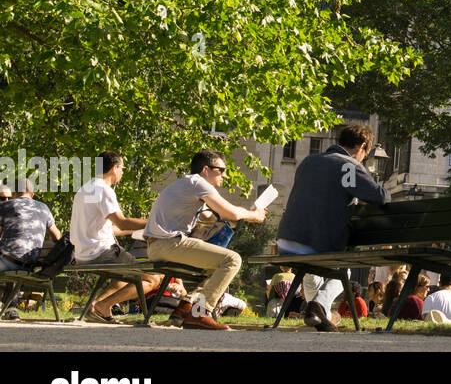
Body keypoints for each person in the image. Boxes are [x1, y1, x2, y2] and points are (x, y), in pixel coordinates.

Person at [275, 123, 391, 332]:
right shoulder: (348, 165)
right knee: (343, 272)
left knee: (330, 269)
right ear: (362, 146)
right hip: (313, 243)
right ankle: (318, 305)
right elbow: (380, 197)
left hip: (285, 241)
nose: (363, 159)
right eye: (365, 154)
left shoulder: (308, 162)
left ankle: (323, 315)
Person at [144, 150, 266, 331]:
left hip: (159, 246)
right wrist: (253, 215)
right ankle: (200, 312)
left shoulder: (188, 184)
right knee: (232, 260)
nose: (225, 176)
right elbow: (231, 212)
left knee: (215, 268)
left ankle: (185, 306)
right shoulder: (198, 183)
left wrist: (234, 217)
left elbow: (210, 216)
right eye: (221, 170)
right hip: (168, 244)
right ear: (205, 169)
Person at [69, 151, 164, 323]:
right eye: (123, 169)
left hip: (83, 254)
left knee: (123, 274)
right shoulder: (104, 190)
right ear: (114, 168)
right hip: (102, 254)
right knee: (152, 278)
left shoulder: (84, 189)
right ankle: (103, 306)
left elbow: (109, 228)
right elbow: (122, 222)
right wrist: (155, 223)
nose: (123, 173)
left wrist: (133, 231)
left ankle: (97, 305)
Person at [0, 178, 61, 272]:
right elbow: (57, 236)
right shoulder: (44, 208)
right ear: (32, 194)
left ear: (13, 193)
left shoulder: (6, 206)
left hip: (7, 263)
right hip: (29, 267)